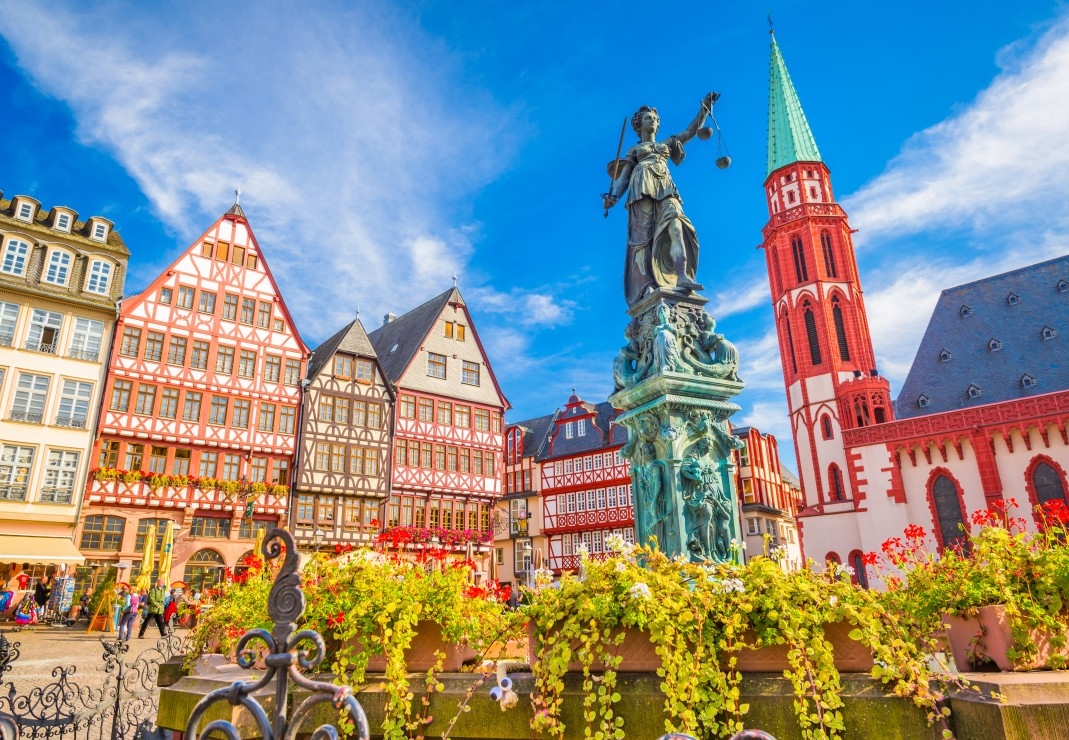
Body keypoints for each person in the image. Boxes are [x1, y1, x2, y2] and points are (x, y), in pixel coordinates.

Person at [603, 93, 720, 306]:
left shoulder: (667, 144)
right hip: (642, 187)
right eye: (648, 118)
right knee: (643, 239)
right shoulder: (635, 150)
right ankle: (645, 284)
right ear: (639, 125)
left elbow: (691, 131)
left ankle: (682, 274)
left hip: (666, 187)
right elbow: (623, 178)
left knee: (677, 225)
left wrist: (704, 110)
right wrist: (614, 197)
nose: (653, 121)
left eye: (655, 119)